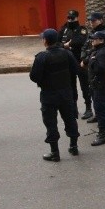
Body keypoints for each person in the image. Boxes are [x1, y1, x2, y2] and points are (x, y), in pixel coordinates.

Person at [29, 28, 81, 161]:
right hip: (66, 92)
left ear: (45, 41)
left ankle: (55, 152)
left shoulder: (42, 57)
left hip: (49, 94)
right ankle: (74, 146)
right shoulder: (67, 53)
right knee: (70, 119)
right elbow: (76, 69)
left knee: (50, 123)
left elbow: (34, 77)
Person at [58, 9, 90, 119]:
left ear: (77, 18)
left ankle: (88, 108)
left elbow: (80, 41)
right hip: (68, 62)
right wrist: (65, 45)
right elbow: (57, 43)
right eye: (69, 18)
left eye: (73, 18)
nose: (70, 20)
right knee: (71, 86)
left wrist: (68, 44)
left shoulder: (81, 29)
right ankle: (74, 108)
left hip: (79, 61)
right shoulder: (64, 29)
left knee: (85, 86)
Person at [87, 30, 105, 146]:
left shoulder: (102, 53)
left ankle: (102, 134)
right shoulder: (101, 51)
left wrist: (93, 61)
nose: (92, 41)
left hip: (100, 85)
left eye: (95, 39)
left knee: (101, 109)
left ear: (101, 40)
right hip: (103, 84)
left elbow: (100, 69)